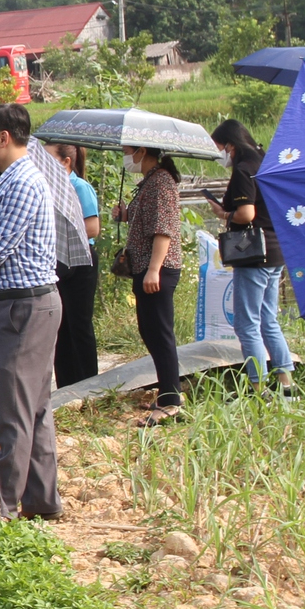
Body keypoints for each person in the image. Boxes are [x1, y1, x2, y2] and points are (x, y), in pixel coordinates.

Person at [0, 103, 63, 516]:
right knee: (34, 408)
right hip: (26, 305)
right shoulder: (7, 182)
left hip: (23, 306)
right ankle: (42, 502)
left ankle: (3, 507)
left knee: (12, 409)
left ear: (4, 138)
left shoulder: (20, 183)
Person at [210, 118, 296, 396]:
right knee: (268, 318)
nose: (220, 153)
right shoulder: (266, 163)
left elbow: (246, 214)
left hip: (254, 253)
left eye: (220, 147)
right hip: (276, 250)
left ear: (231, 145)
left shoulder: (244, 170)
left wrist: (223, 214)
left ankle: (257, 388)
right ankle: (286, 384)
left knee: (247, 323)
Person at [115, 145, 184, 419]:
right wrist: (125, 214)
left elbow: (163, 230)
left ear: (142, 151)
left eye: (127, 151)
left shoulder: (161, 183)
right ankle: (167, 392)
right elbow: (147, 218)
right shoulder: (150, 182)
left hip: (157, 269)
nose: (126, 157)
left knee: (160, 332)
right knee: (149, 330)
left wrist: (154, 269)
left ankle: (171, 402)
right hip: (145, 267)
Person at [48, 141, 102, 387]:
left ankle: (89, 383)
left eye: (50, 159)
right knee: (59, 325)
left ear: (66, 162)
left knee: (79, 324)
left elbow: (92, 227)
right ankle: (65, 384)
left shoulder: (80, 187)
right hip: (57, 258)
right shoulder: (49, 187)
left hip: (81, 259)